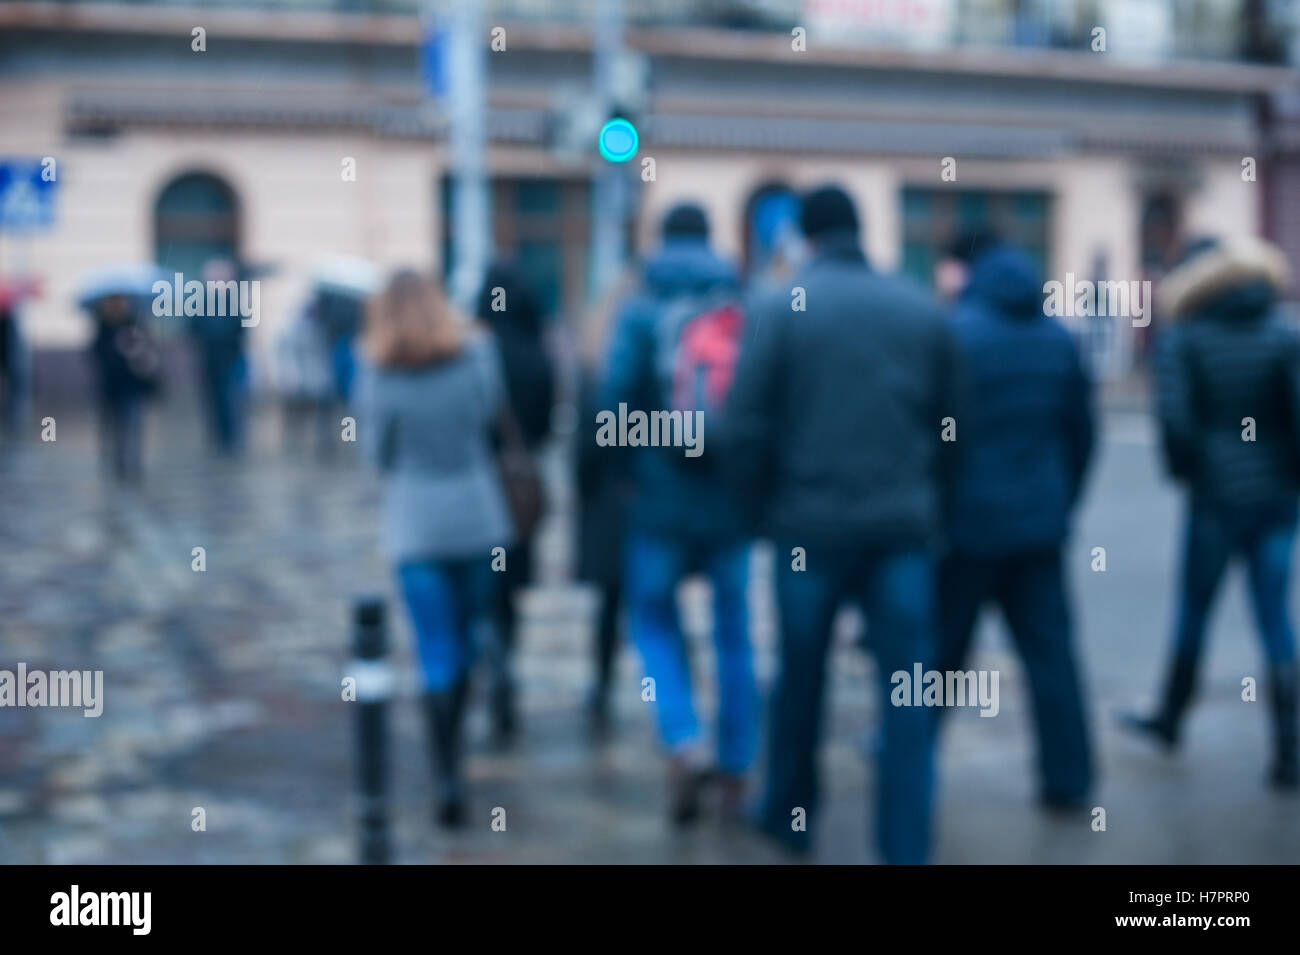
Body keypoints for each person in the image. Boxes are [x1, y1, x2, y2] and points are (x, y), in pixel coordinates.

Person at [728, 185, 958, 864]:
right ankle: (906, 844)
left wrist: (760, 515)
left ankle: (790, 816)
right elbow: (954, 428)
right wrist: (934, 506)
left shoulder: (780, 309)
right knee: (907, 692)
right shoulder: (920, 308)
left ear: (804, 234)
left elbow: (743, 425)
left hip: (808, 528)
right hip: (902, 530)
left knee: (800, 679)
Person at [1122, 236, 1298, 790]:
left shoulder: (1186, 338)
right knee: (1274, 617)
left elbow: (1175, 423)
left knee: (1195, 610)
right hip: (1275, 499)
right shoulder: (1282, 332)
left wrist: (1191, 471)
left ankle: (1171, 718)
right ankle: (1289, 753)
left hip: (1216, 500)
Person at [604, 203, 757, 823]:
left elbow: (608, 401)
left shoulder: (641, 307)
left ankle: (683, 737)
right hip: (730, 502)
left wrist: (622, 473)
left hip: (659, 500)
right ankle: (739, 763)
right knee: (734, 632)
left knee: (653, 620)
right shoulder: (743, 304)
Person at [935, 228, 1096, 810]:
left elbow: (938, 439)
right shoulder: (1058, 337)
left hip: (967, 530)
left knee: (945, 655)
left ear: (966, 270)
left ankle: (912, 763)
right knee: (1051, 655)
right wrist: (1060, 501)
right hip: (1038, 528)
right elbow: (1082, 434)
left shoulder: (958, 336)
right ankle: (1069, 781)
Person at [358, 269, 515, 826]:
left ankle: (446, 773)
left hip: (416, 526)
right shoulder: (477, 354)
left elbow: (375, 453)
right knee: (470, 636)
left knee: (434, 649)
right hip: (477, 519)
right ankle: (462, 744)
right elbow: (488, 419)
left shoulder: (378, 368)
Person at [475, 262, 556, 743]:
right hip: (521, 491)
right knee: (512, 589)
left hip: (480, 486)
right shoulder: (536, 351)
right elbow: (547, 426)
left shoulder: (474, 351)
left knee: (483, 588)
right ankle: (507, 663)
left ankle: (493, 663)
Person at [87, 293, 161, 482]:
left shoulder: (135, 324)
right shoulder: (102, 326)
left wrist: (133, 348)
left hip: (132, 385)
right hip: (110, 387)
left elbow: (148, 351)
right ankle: (115, 462)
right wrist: (116, 349)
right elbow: (96, 355)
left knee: (134, 424)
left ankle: (134, 465)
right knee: (111, 427)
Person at [189, 257, 248, 455]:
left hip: (229, 358)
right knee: (211, 400)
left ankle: (230, 438)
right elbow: (193, 327)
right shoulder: (201, 301)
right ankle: (217, 437)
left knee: (229, 399)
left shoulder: (234, 300)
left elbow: (241, 328)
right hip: (209, 359)